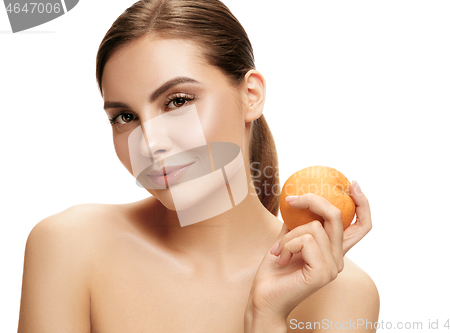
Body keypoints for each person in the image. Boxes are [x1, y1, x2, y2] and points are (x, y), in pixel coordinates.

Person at [17, 0, 379, 332]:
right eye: (125, 116)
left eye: (177, 101)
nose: (149, 141)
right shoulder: (70, 247)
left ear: (251, 95)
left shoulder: (339, 293)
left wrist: (267, 317)